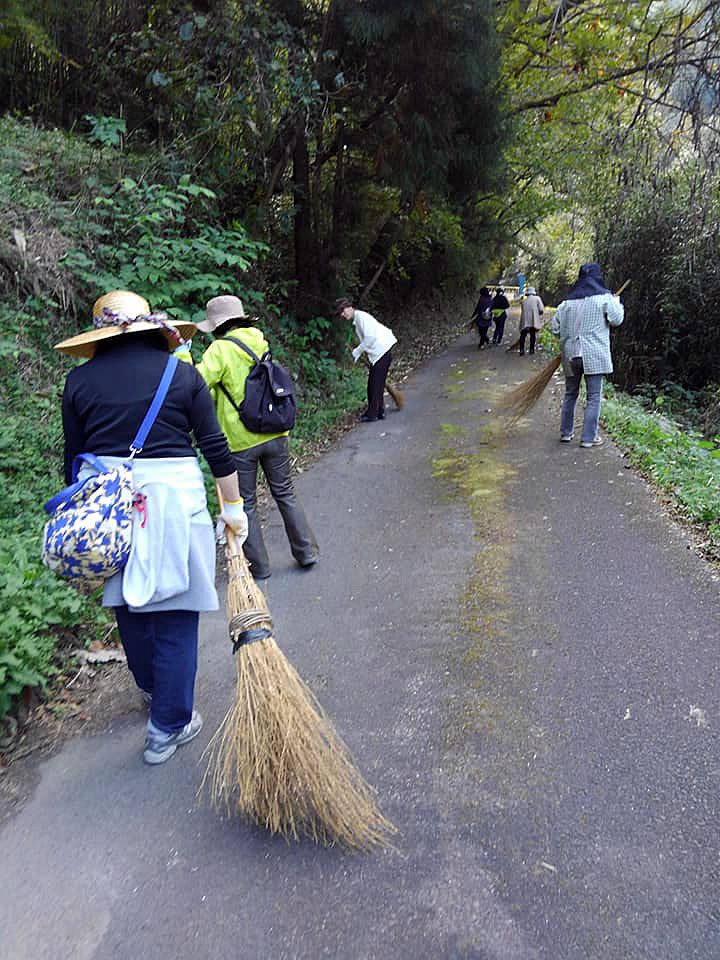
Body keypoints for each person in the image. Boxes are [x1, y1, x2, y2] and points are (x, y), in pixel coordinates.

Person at [56, 290, 248, 765]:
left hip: (109, 505)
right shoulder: (181, 375)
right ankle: (168, 725)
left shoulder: (78, 383)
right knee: (177, 609)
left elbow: (72, 462)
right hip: (175, 501)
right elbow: (216, 449)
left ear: (101, 336)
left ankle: (151, 689)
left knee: (129, 600)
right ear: (152, 328)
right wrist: (234, 507)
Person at [196, 295, 318, 580]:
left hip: (240, 442)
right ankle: (307, 552)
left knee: (246, 502)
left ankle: (259, 567)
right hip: (275, 431)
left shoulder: (218, 350)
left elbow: (197, 385)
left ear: (217, 326)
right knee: (285, 492)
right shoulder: (258, 340)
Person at [551, 263, 624, 447]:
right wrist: (617, 302)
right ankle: (588, 438)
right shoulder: (605, 299)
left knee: (570, 394)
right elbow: (617, 319)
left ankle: (566, 433)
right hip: (594, 355)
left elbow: (554, 328)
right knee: (593, 397)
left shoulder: (566, 303)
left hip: (570, 355)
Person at [336, 297, 397, 422]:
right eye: (340, 313)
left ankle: (372, 414)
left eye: (343, 311)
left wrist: (357, 351)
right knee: (376, 384)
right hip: (379, 353)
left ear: (349, 307)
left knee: (374, 385)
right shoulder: (357, 320)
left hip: (382, 351)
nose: (343, 315)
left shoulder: (360, 317)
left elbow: (370, 337)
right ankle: (379, 411)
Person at [518, 286, 544, 355]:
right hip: (533, 321)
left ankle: (521, 350)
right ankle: (531, 350)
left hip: (525, 321)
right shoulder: (537, 298)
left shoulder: (523, 301)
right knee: (532, 335)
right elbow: (541, 309)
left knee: (523, 335)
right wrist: (539, 315)